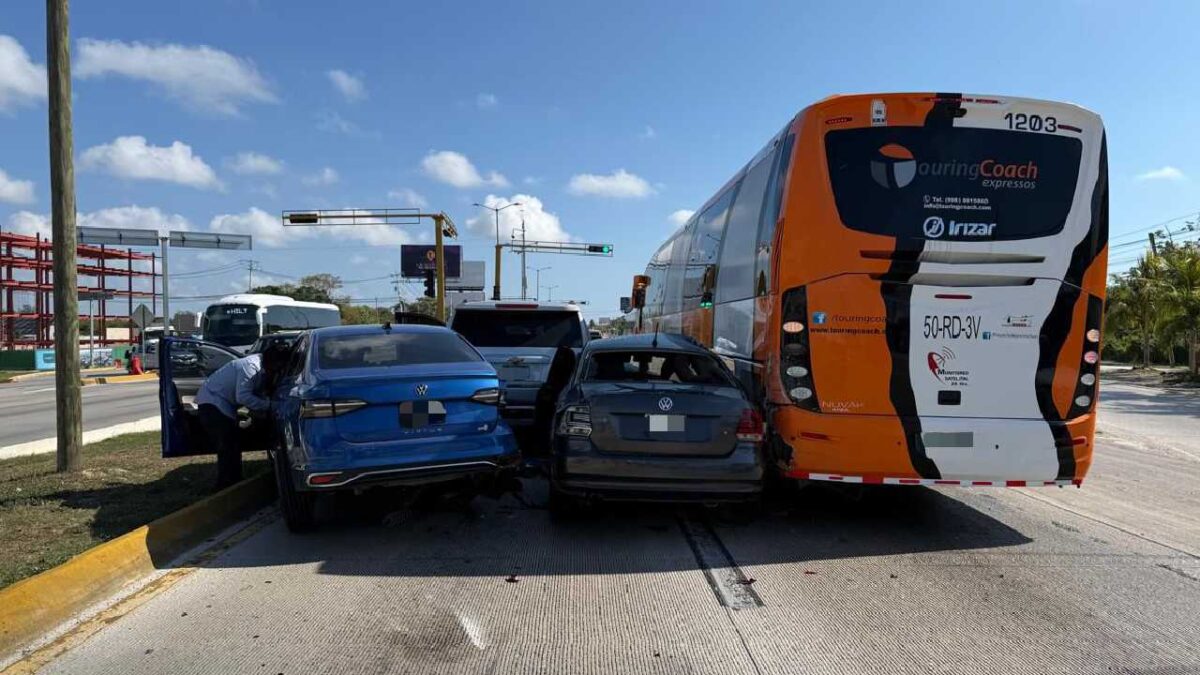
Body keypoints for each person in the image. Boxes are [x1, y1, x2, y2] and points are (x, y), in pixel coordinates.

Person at [194, 346, 287, 489]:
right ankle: (225, 484)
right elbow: (243, 396)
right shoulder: (250, 367)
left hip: (222, 404)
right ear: (270, 362)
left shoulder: (260, 368)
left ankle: (234, 479)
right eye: (275, 367)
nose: (276, 371)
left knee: (232, 443)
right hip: (213, 403)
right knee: (227, 444)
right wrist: (269, 405)